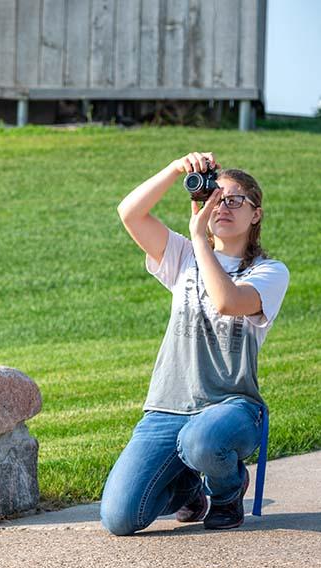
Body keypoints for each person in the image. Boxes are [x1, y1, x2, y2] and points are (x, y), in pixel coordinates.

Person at [101, 152, 289, 534]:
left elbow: (228, 302)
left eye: (235, 200)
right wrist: (175, 169)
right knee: (120, 518)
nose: (223, 207)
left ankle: (227, 492)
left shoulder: (268, 272)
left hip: (231, 406)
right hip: (167, 408)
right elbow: (130, 213)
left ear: (256, 214)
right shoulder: (182, 255)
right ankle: (187, 486)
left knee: (202, 439)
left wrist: (200, 239)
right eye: (216, 199)